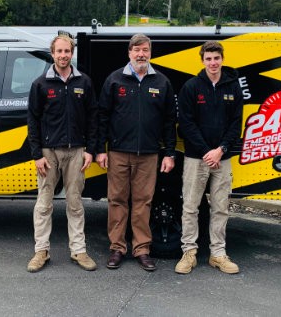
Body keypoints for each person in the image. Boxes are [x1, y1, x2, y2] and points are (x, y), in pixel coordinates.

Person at [96, 33, 176, 272]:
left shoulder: (161, 82)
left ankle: (141, 249)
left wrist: (169, 153)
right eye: (136, 50)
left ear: (150, 53)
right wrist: (101, 149)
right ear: (129, 53)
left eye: (145, 50)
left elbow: (169, 120)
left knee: (143, 203)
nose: (141, 54)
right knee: (117, 201)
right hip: (119, 153)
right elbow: (102, 117)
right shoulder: (114, 80)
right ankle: (117, 248)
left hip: (149, 154)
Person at [26, 34, 99, 272]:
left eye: (67, 51)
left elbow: (93, 119)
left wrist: (91, 150)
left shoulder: (84, 83)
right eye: (59, 52)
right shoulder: (40, 84)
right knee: (44, 203)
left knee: (75, 202)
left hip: (77, 151)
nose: (63, 56)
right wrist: (37, 154)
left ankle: (78, 250)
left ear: (72, 53)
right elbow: (33, 121)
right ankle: (41, 251)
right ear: (52, 54)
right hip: (48, 153)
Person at [175, 40, 243, 275]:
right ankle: (189, 252)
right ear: (202, 60)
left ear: (222, 59)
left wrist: (220, 150)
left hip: (222, 159)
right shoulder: (192, 87)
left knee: (221, 207)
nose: (213, 63)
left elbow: (236, 124)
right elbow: (186, 124)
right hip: (196, 158)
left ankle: (218, 254)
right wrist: (206, 151)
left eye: (216, 58)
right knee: (190, 207)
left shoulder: (233, 87)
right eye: (208, 59)